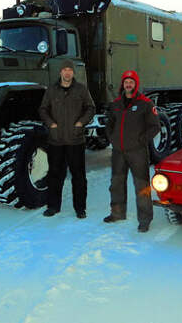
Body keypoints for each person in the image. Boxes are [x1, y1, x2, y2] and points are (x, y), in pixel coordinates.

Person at [104, 70, 160, 232]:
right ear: (123, 84)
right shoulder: (116, 104)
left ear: (136, 84)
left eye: (132, 82)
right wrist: (112, 138)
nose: (128, 84)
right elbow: (110, 124)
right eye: (126, 81)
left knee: (141, 186)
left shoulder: (145, 103)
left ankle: (144, 219)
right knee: (116, 184)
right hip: (118, 152)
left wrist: (140, 140)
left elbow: (155, 127)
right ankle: (117, 213)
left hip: (138, 152)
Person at [39, 59, 95, 218]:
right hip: (56, 141)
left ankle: (80, 209)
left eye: (70, 70)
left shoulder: (81, 90)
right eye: (64, 69)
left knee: (78, 177)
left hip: (75, 141)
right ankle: (53, 206)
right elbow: (43, 109)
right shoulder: (51, 90)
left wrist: (81, 123)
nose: (67, 72)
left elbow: (91, 108)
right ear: (60, 72)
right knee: (54, 175)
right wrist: (51, 124)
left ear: (73, 72)